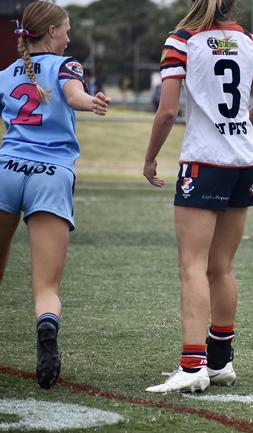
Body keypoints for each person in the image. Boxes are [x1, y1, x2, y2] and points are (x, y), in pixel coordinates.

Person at [143, 0, 253, 393]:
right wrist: (233, 129)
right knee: (222, 267)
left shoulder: (181, 39)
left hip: (204, 162)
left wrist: (150, 159)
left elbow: (167, 112)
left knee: (192, 267)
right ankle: (220, 362)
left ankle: (192, 365)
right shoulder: (250, 40)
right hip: (244, 163)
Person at [0, 0, 111, 389]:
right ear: (50, 31)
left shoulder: (5, 73)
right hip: (51, 174)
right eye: (65, 28)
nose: (69, 35)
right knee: (46, 286)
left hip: (5, 171)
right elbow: (73, 93)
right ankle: (46, 329)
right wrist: (90, 102)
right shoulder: (67, 65)